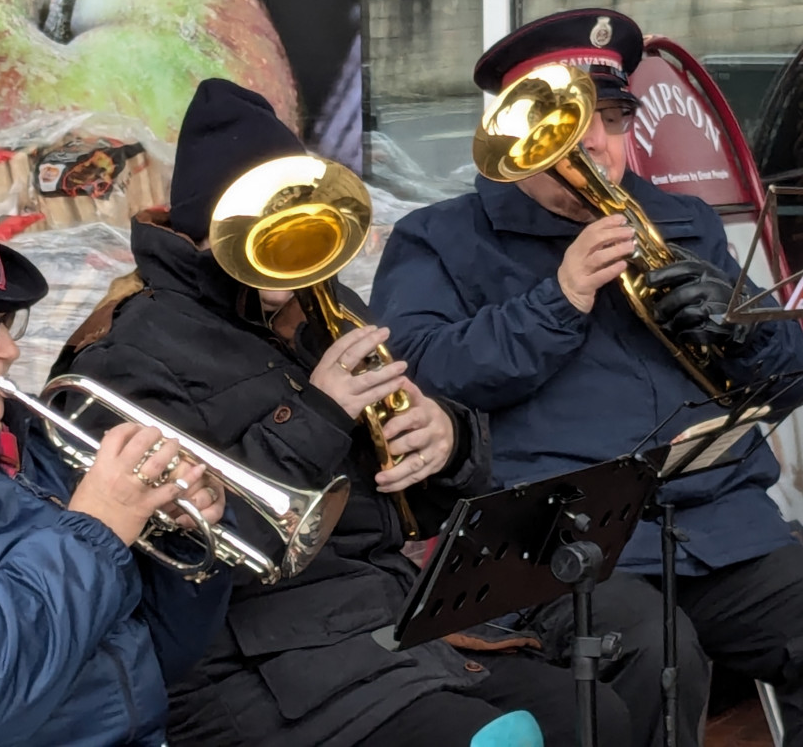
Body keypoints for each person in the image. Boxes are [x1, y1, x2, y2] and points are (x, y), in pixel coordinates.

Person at [50, 77, 630, 747]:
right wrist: (318, 412)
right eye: (262, 231)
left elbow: (416, 501)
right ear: (207, 229)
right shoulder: (125, 351)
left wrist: (446, 441)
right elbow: (180, 554)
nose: (292, 259)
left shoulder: (322, 305)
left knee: (594, 719)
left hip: (381, 616)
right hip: (249, 662)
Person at [369, 7, 803, 747]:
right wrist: (558, 299)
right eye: (569, 126)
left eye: (611, 117)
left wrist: (738, 334)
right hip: (560, 544)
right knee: (653, 651)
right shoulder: (438, 239)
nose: (596, 145)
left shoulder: (683, 221)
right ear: (519, 135)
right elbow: (420, 376)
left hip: (713, 524)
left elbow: (787, 382)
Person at [0, 196, 232, 746]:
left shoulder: (21, 438)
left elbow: (151, 659)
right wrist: (97, 528)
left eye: (5, 323)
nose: (11, 350)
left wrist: (176, 541)